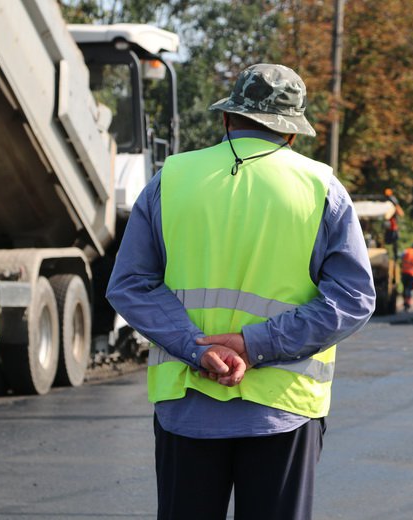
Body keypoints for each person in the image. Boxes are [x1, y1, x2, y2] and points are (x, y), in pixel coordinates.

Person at [106, 63, 375, 520]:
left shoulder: (170, 181)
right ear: (291, 133)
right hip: (282, 408)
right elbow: (353, 299)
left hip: (186, 405)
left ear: (227, 119)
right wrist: (254, 345)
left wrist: (197, 348)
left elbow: (130, 284)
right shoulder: (321, 189)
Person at [384, 188, 404, 259]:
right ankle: (393, 255)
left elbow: (400, 212)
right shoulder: (389, 201)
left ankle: (394, 256)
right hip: (391, 227)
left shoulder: (391, 201)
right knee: (392, 243)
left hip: (392, 227)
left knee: (392, 243)